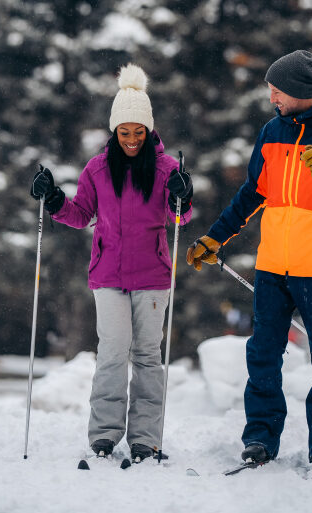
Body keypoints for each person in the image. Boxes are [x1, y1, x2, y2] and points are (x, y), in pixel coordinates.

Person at [186, 50, 312, 469]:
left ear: (298, 91)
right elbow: (252, 193)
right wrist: (214, 238)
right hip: (273, 264)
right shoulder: (272, 131)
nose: (271, 97)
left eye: (277, 91)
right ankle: (259, 438)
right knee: (262, 355)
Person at [30, 63, 193, 462]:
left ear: (149, 129)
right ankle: (104, 434)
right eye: (125, 132)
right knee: (112, 352)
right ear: (114, 131)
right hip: (109, 275)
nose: (133, 139)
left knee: (148, 357)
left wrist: (182, 198)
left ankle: (145, 437)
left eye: (139, 132)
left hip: (153, 276)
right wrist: (53, 200)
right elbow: (81, 213)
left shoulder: (168, 169)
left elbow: (181, 218)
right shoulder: (98, 169)